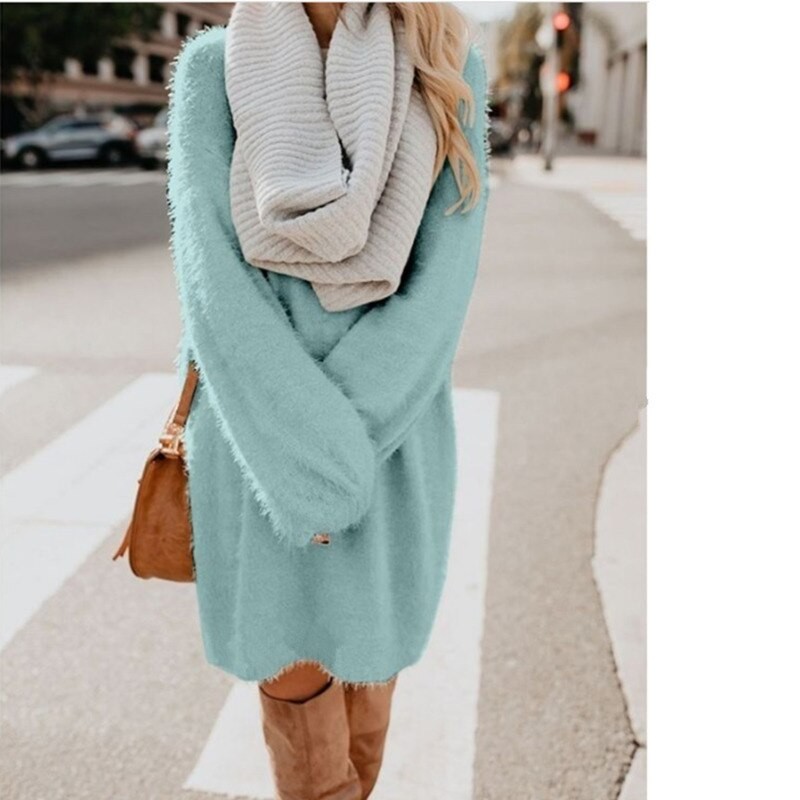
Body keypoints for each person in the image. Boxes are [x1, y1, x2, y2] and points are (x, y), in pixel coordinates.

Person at [166, 2, 489, 797]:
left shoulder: (445, 66)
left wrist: (341, 454)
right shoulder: (215, 68)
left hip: (390, 438)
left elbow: (443, 286)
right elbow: (210, 278)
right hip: (261, 438)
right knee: (301, 711)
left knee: (368, 694)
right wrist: (302, 460)